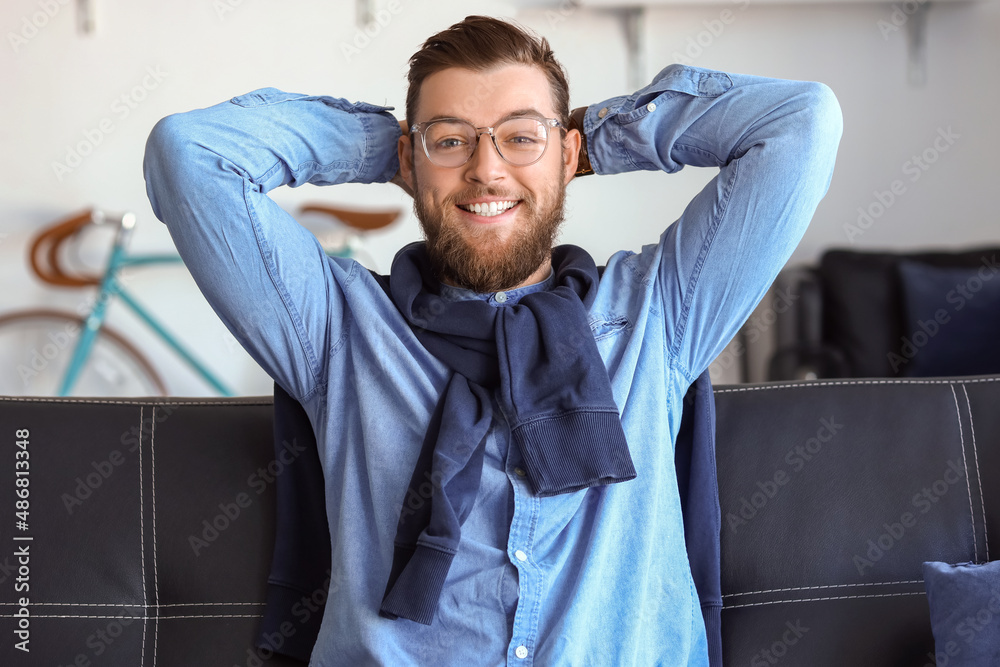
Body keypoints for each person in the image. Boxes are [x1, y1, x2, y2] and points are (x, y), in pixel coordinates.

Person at [142, 14, 842, 666]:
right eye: (453, 141)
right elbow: (190, 154)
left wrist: (596, 137)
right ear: (410, 164)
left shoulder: (657, 315)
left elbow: (801, 123)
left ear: (567, 157)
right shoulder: (337, 327)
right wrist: (393, 146)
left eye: (520, 138)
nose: (486, 170)